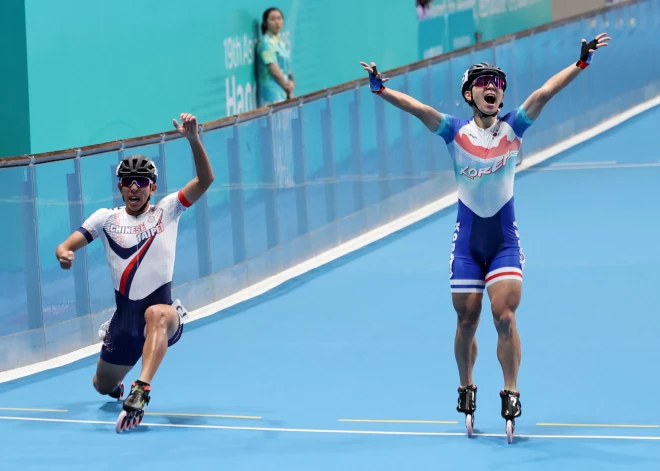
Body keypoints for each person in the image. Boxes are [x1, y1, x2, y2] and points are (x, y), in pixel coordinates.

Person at [359, 33, 610, 440]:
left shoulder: (515, 126)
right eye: (483, 82)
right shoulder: (454, 131)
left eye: (497, 82)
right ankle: (466, 383)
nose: (492, 86)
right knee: (466, 319)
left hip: (504, 243)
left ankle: (510, 391)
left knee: (505, 317)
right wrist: (382, 88)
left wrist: (580, 63)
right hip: (467, 246)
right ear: (469, 95)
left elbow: (545, 92)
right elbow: (418, 108)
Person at [55, 113, 214, 432]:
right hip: (125, 324)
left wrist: (194, 140)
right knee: (101, 385)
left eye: (141, 181)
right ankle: (119, 386)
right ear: (120, 187)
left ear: (152, 187)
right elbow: (67, 244)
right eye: (128, 181)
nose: (134, 187)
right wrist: (65, 253)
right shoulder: (105, 219)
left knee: (156, 314)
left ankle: (141, 389)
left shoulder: (168, 210)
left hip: (163, 315)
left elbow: (205, 180)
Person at [256, 7, 294, 107]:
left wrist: (291, 82)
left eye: (279, 18)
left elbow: (288, 68)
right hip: (272, 95)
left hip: (284, 92)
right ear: (265, 23)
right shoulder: (265, 43)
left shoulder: (280, 43)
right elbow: (274, 69)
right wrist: (286, 86)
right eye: (272, 19)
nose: (277, 22)